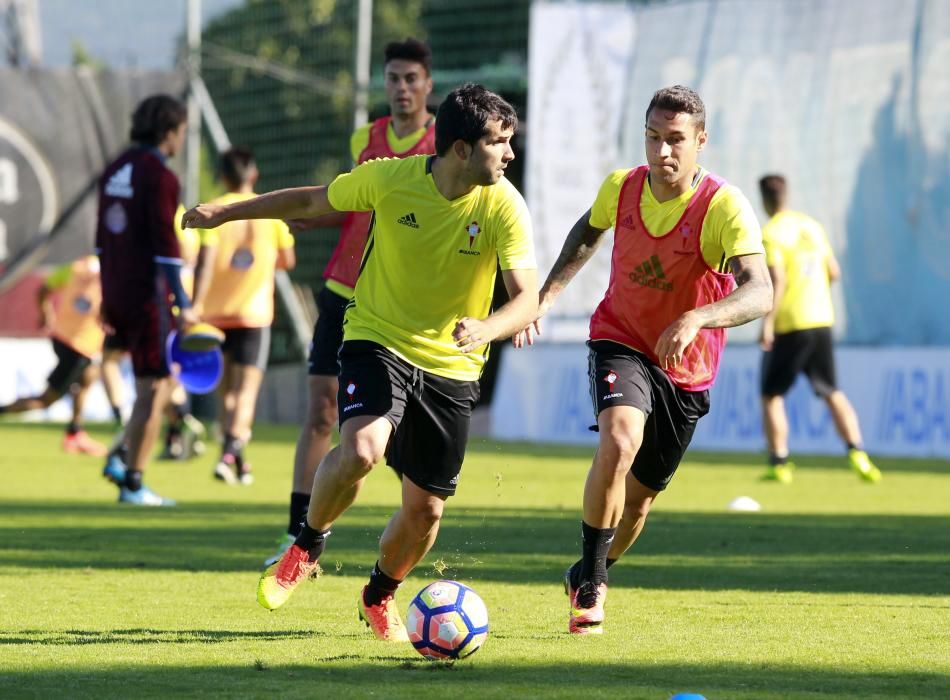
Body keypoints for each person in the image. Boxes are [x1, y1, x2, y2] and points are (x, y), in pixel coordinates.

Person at [183, 83, 537, 642]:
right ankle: (307, 544)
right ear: (463, 149)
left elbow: (527, 297)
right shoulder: (390, 178)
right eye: (500, 143)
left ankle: (378, 594)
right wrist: (226, 212)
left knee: (426, 513)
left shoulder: (504, 204)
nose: (511, 154)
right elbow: (307, 202)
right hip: (377, 337)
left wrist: (490, 326)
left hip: (454, 366)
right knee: (364, 447)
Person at [515, 85, 773, 635]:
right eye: (653, 138)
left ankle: (589, 567)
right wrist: (546, 296)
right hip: (621, 338)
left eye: (676, 140)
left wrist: (699, 317)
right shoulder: (623, 186)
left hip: (687, 368)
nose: (662, 153)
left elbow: (760, 292)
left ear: (702, 141)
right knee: (619, 438)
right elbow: (587, 232)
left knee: (637, 508)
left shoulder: (723, 207)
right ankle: (593, 587)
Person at [264, 37, 437, 566]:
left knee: (379, 437)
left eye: (411, 79)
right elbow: (356, 202)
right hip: (342, 289)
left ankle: (403, 521)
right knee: (319, 410)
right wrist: (314, 216)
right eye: (392, 78)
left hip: (397, 304)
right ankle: (298, 535)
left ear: (428, 84)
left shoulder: (442, 144)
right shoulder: (367, 136)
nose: (401, 88)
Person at [96, 94, 197, 507]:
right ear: (169, 131)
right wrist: (184, 300)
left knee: (147, 386)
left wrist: (105, 293)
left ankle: (123, 462)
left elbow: (102, 241)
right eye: (182, 131)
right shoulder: (160, 175)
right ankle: (133, 481)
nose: (182, 139)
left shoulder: (114, 169)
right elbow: (165, 247)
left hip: (117, 289)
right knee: (154, 387)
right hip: (148, 295)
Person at [757, 174, 881, 484]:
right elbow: (833, 272)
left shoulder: (771, 233)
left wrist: (767, 324)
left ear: (764, 200)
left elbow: (779, 280)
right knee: (831, 391)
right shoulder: (812, 226)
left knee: (771, 395)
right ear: (787, 195)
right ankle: (857, 452)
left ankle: (780, 463)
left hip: (791, 323)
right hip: (821, 319)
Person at [190, 146, 296, 485]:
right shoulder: (270, 213)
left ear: (222, 176)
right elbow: (287, 260)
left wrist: (195, 304)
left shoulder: (214, 210)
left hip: (214, 316)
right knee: (246, 394)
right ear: (254, 175)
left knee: (228, 396)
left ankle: (235, 458)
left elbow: (204, 262)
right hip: (253, 315)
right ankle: (230, 451)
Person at [0, 254, 108, 457]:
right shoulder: (112, 270)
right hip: (78, 345)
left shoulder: (75, 265)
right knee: (47, 400)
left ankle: (75, 433)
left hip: (66, 338)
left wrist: (45, 312)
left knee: (88, 377)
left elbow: (44, 289)